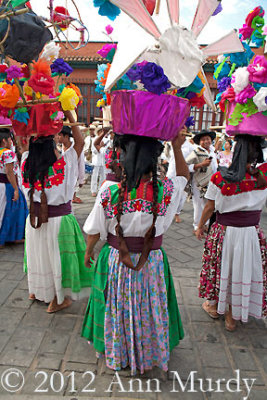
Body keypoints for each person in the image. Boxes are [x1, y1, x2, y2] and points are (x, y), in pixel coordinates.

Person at [81, 132, 189, 375]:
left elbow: (95, 231)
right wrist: (177, 146)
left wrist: (88, 253)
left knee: (116, 306)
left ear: (124, 158)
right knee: (148, 305)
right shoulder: (168, 190)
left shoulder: (110, 190)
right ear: (155, 160)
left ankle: (120, 350)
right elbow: (183, 176)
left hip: (116, 260)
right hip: (151, 261)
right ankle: (148, 350)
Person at [21, 111, 93, 313]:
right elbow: (79, 143)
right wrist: (70, 112)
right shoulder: (63, 165)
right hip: (58, 221)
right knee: (58, 260)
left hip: (34, 220)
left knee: (39, 256)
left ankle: (37, 289)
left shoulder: (26, 164)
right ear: (52, 149)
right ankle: (57, 299)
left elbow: (23, 146)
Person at [196, 135, 267, 331]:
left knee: (224, 269)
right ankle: (238, 309)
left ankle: (224, 311)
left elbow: (209, 207)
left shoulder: (220, 178)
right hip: (251, 234)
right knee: (244, 269)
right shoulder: (263, 177)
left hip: (225, 232)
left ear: (235, 153)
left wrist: (200, 226)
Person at [0, 128, 28, 247]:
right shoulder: (7, 153)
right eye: (10, 139)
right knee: (15, 209)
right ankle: (11, 236)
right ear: (4, 140)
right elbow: (9, 172)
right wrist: (16, 189)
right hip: (7, 185)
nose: (12, 141)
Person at [186, 130, 217, 233]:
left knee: (208, 205)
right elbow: (186, 165)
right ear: (199, 142)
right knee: (198, 205)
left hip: (211, 183)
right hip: (198, 183)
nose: (206, 141)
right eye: (203, 140)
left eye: (207, 139)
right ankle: (196, 226)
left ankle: (205, 225)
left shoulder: (213, 152)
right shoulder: (195, 152)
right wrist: (201, 165)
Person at [167, 126, 195, 223]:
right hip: (171, 172)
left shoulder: (190, 146)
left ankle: (177, 213)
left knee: (182, 195)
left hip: (183, 171)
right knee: (169, 194)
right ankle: (169, 211)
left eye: (184, 129)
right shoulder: (170, 142)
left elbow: (197, 153)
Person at [58, 126, 85, 204]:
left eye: (59, 135)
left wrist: (81, 179)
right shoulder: (58, 148)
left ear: (66, 136)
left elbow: (81, 163)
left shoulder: (75, 149)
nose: (57, 137)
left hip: (72, 176)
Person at [90, 126, 107, 197]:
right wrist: (100, 147)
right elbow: (93, 150)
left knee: (103, 175)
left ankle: (101, 189)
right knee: (95, 176)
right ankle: (93, 190)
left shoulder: (106, 139)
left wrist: (103, 146)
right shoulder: (95, 139)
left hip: (103, 160)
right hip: (96, 160)